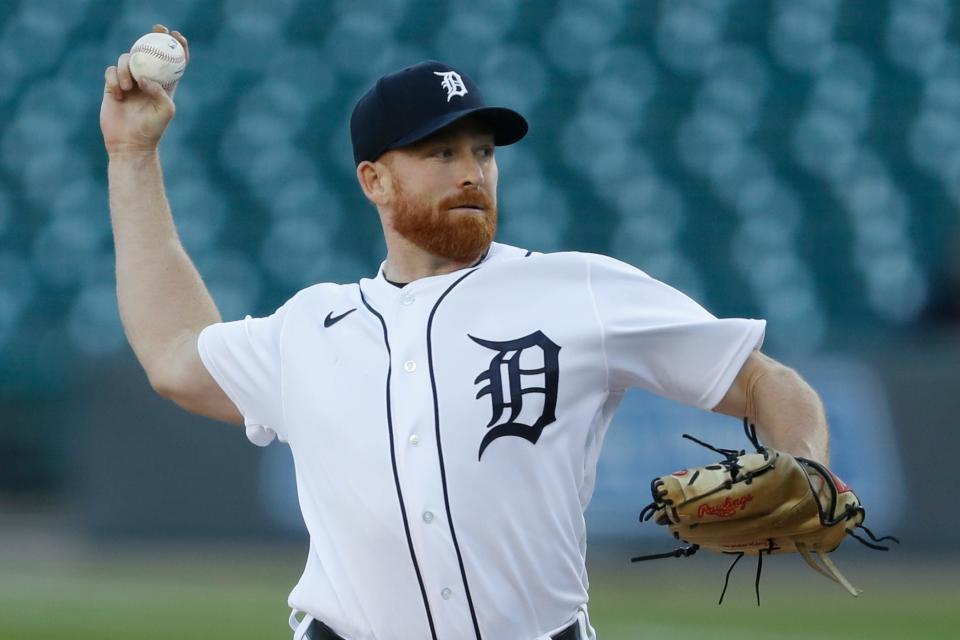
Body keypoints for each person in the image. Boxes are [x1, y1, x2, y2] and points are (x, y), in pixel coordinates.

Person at [101, 25, 830, 640]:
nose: (471, 173)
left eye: (483, 151)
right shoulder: (311, 327)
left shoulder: (576, 289)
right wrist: (133, 157)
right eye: (440, 153)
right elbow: (173, 354)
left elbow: (766, 380)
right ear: (374, 181)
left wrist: (809, 466)